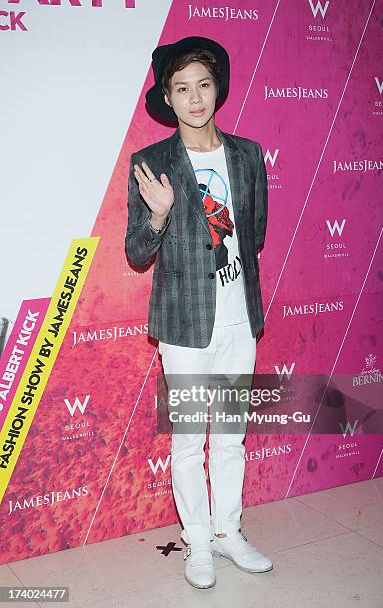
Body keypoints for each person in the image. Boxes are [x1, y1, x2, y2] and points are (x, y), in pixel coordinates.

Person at [125, 35, 272, 589]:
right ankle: (199, 541)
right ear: (168, 96)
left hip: (239, 317)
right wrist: (158, 217)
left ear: (217, 90)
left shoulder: (247, 154)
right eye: (182, 88)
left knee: (230, 434)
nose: (194, 99)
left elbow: (253, 235)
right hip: (184, 325)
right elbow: (138, 251)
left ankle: (230, 533)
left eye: (203, 85)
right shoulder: (152, 163)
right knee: (189, 440)